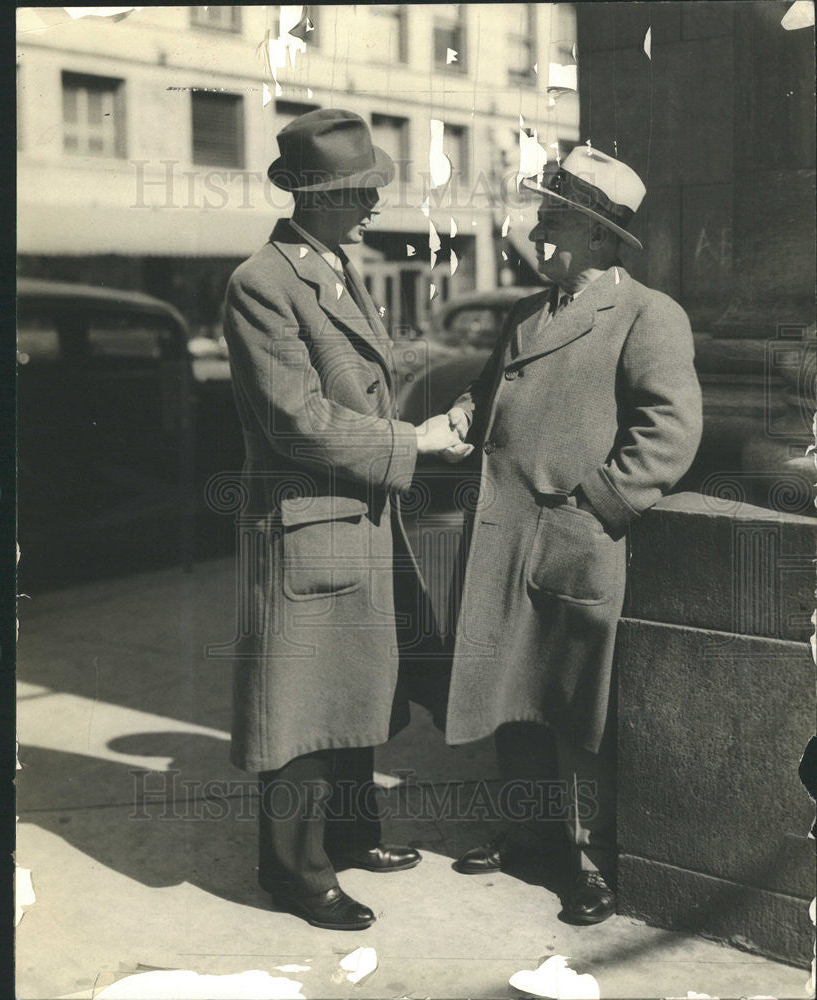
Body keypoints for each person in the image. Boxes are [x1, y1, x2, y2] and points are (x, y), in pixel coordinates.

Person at [222, 108, 470, 931]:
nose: (373, 205)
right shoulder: (263, 281)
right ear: (316, 196)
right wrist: (416, 440)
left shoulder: (327, 263)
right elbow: (299, 421)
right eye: (360, 191)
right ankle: (294, 871)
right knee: (298, 710)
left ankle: (353, 836)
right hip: (308, 523)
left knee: (356, 686)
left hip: (353, 519)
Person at [442, 146, 703, 923]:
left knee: (574, 704)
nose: (536, 234)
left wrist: (598, 502)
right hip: (504, 536)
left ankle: (591, 862)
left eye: (553, 222)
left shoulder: (648, 315)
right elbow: (490, 385)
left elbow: (672, 429)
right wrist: (463, 409)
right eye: (540, 218)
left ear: (598, 238)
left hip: (571, 537)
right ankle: (528, 832)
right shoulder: (530, 310)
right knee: (508, 694)